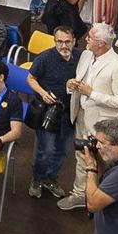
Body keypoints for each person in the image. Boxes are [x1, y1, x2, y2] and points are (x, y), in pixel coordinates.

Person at [58, 24, 118, 209]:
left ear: (101, 43)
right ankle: (79, 194)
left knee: (105, 160)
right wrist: (71, 85)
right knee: (82, 155)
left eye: (90, 38)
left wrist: (91, 93)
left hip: (104, 123)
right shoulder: (85, 55)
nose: (86, 40)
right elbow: (80, 81)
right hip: (82, 114)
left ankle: (107, 197)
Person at [26, 26, 80, 199]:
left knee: (63, 150)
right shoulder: (45, 58)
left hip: (69, 112)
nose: (64, 46)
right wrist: (43, 93)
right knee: (46, 149)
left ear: (74, 41)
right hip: (49, 111)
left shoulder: (80, 57)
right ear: (54, 41)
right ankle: (37, 178)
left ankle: (51, 178)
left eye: (67, 42)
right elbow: (30, 78)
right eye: (60, 41)